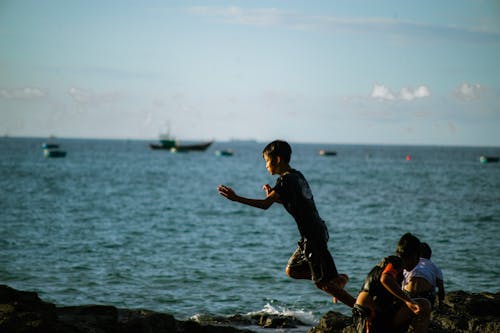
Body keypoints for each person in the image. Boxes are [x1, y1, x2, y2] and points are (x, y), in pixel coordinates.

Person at [217, 140, 355, 308]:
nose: (266, 166)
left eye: (267, 161)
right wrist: (275, 197)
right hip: (317, 231)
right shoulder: (297, 176)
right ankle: (336, 280)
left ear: (278, 159)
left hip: (312, 236)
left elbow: (264, 205)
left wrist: (236, 198)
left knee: (323, 285)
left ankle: (364, 311)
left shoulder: (284, 181)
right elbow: (298, 203)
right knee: (293, 270)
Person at [353, 233, 431, 333]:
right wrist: (409, 301)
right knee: (424, 304)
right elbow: (385, 279)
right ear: (414, 255)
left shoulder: (389, 263)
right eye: (418, 258)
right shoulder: (397, 262)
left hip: (364, 310)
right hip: (371, 311)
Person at [403, 242, 445, 308]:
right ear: (429, 255)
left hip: (408, 294)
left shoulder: (409, 264)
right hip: (425, 295)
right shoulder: (434, 267)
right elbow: (441, 287)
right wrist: (441, 303)